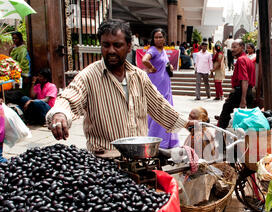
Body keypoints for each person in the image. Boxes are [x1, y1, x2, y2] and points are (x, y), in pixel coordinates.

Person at [45, 19, 195, 157]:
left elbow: (160, 106)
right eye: (106, 45)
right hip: (104, 161)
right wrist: (60, 114)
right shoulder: (89, 76)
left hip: (140, 158)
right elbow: (70, 97)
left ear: (129, 47)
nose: (111, 50)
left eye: (117, 45)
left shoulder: (139, 77)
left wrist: (186, 124)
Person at [141, 28, 179, 149]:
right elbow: (144, 60)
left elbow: (162, 64)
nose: (158, 39)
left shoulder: (162, 50)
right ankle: (156, 140)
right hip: (157, 84)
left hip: (165, 84)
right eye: (156, 37)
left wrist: (170, 67)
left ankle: (167, 141)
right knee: (159, 110)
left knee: (167, 110)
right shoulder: (153, 50)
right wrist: (151, 68)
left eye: (160, 37)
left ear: (164, 38)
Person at [217, 39, 255, 129]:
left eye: (235, 47)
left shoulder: (241, 60)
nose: (232, 49)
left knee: (226, 111)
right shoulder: (247, 59)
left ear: (242, 47)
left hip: (241, 92)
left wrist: (243, 98)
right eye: (232, 47)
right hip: (246, 91)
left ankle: (220, 134)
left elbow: (244, 79)